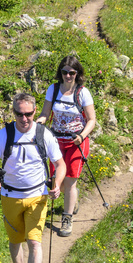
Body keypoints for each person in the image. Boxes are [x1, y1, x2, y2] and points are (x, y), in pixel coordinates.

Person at [0, 93, 66, 263]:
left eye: (29, 114)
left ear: (34, 111)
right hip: (10, 196)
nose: (24, 119)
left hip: (38, 196)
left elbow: (60, 163)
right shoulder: (3, 135)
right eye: (19, 114)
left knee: (34, 242)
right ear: (14, 113)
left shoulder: (43, 134)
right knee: (15, 239)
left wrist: (56, 184)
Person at [36, 55, 97, 238]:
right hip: (55, 141)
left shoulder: (82, 93)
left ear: (77, 74)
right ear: (60, 73)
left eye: (71, 73)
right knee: (57, 181)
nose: (68, 76)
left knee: (70, 180)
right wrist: (38, 123)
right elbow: (45, 113)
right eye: (65, 72)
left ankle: (67, 217)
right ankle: (73, 201)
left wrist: (81, 135)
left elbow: (92, 119)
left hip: (76, 142)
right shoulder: (53, 90)